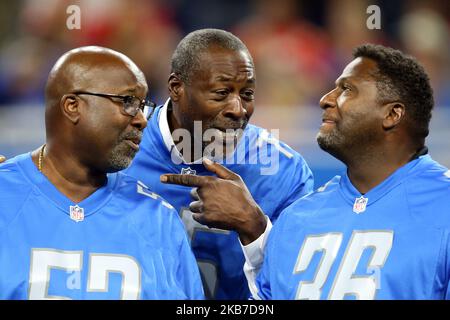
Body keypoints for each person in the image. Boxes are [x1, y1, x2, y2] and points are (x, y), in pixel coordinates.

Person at [0, 46, 204, 300]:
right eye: (127, 102)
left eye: (142, 106)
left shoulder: (158, 218)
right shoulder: (5, 195)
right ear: (73, 106)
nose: (141, 119)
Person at [249, 44, 450, 299]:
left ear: (392, 114)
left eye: (347, 89)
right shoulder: (297, 217)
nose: (325, 99)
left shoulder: (444, 206)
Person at [125, 28, 314, 299]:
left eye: (247, 94)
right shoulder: (122, 147)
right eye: (221, 92)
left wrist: (254, 225)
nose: (238, 109)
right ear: (177, 88)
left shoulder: (283, 171)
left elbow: (300, 288)